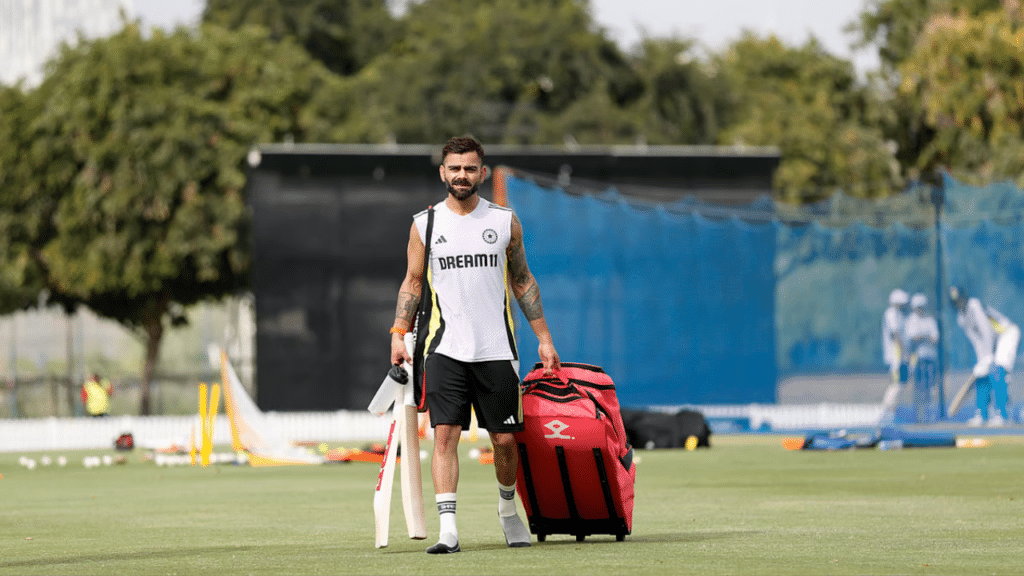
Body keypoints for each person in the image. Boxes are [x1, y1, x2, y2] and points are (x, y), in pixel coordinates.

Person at [390, 136, 561, 554]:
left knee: (504, 442)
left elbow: (523, 281)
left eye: (470, 168)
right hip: (444, 349)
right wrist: (398, 333)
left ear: (482, 173)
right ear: (442, 173)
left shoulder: (504, 221)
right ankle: (448, 530)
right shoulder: (424, 224)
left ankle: (507, 512)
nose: (461, 175)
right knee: (443, 436)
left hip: (497, 350)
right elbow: (412, 283)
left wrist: (544, 339)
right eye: (454, 168)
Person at [949, 286, 1019, 426]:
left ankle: (1002, 414)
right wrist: (982, 362)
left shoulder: (974, 305)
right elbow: (976, 341)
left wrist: (987, 357)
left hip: (1006, 334)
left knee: (997, 370)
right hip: (993, 344)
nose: (959, 303)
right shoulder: (961, 318)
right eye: (956, 301)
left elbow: (987, 331)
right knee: (982, 374)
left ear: (965, 297)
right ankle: (982, 414)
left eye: (960, 299)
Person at [904, 293, 939, 423]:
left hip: (930, 358)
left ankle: (930, 416)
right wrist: (925, 337)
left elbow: (935, 339)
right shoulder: (911, 320)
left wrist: (922, 337)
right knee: (918, 388)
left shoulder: (930, 321)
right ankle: (919, 416)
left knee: (930, 388)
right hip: (917, 359)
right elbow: (912, 338)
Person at [881, 289, 910, 413]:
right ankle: (886, 410)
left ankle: (891, 410)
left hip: (900, 356)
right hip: (896, 356)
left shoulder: (899, 315)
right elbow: (896, 333)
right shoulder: (891, 313)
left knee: (900, 383)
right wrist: (904, 352)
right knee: (897, 383)